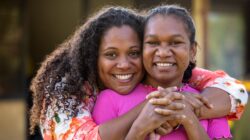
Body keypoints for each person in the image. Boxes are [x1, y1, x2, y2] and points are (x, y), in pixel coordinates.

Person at [29, 6, 248, 140]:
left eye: (134, 53)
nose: (124, 64)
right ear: (92, 56)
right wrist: (151, 109)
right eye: (111, 55)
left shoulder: (178, 80)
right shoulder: (69, 93)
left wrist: (182, 108)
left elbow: (234, 91)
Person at [93, 5, 234, 140]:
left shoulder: (207, 103)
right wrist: (139, 128)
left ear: (192, 51)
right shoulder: (110, 99)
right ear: (141, 49)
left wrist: (189, 119)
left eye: (175, 42)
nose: (163, 53)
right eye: (153, 43)